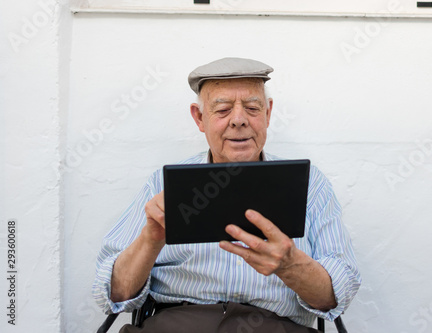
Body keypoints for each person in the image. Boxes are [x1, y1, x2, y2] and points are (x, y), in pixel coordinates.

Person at [93, 57, 361, 332]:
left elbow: (337, 294)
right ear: (199, 118)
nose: (239, 120)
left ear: (268, 113)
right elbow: (113, 294)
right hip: (178, 324)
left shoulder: (310, 185)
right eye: (222, 109)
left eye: (252, 108)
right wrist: (150, 240)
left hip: (273, 326)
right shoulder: (162, 185)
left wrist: (291, 266)